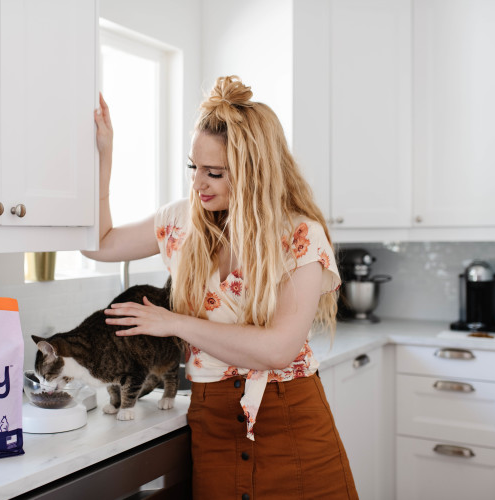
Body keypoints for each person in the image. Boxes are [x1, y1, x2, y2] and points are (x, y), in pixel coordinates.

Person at [84, 76, 358, 499]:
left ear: (255, 171)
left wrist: (173, 322)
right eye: (194, 168)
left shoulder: (300, 233)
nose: (198, 185)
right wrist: (104, 157)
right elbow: (98, 244)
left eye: (214, 173)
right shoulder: (180, 222)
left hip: (292, 425)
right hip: (212, 426)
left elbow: (277, 350)